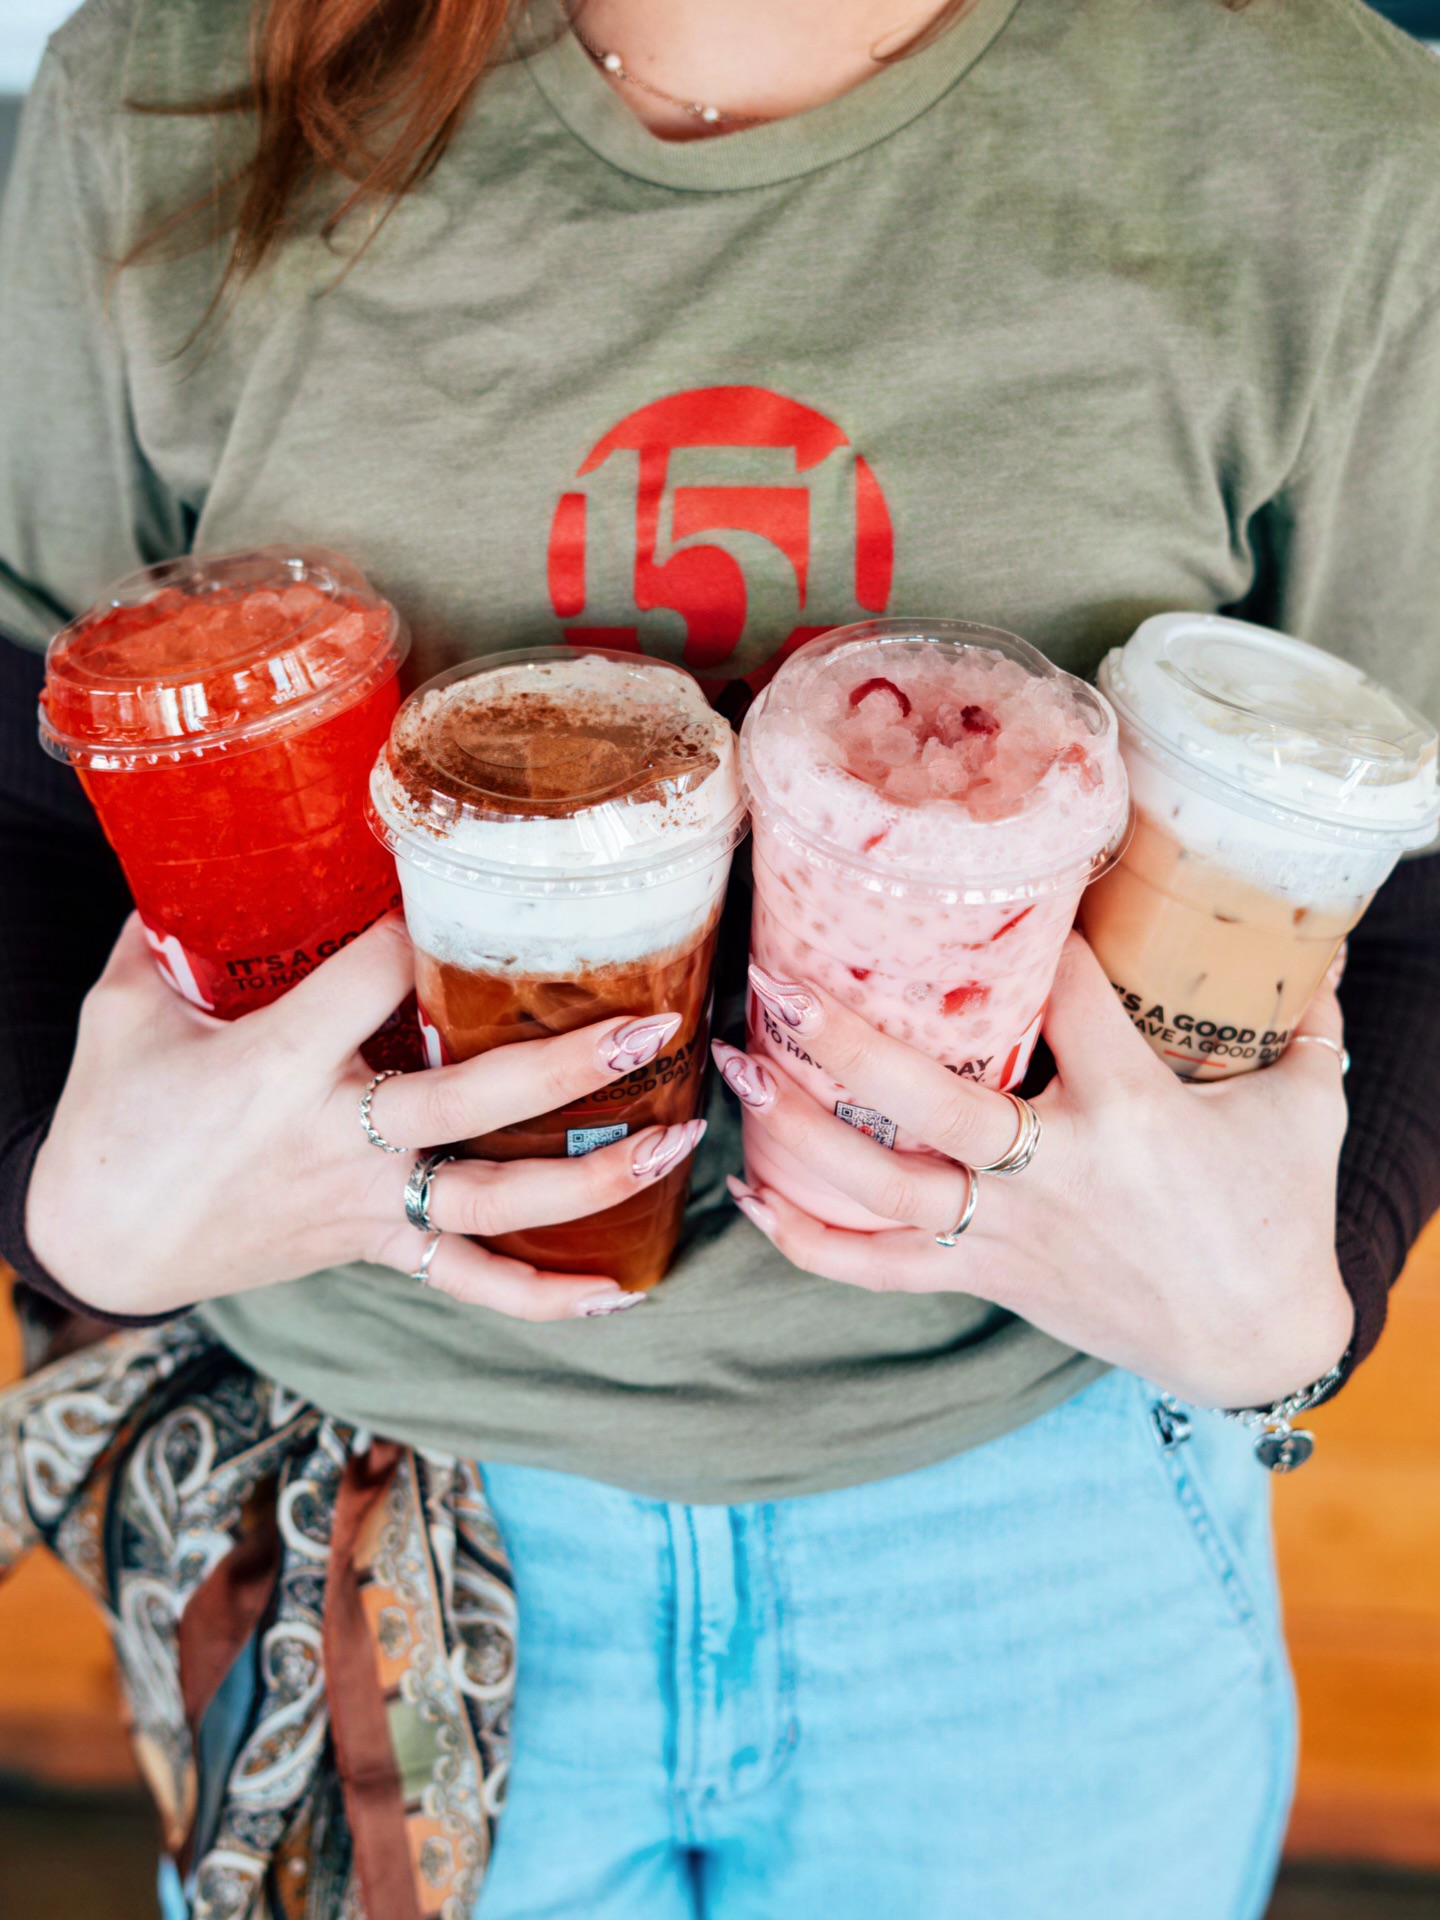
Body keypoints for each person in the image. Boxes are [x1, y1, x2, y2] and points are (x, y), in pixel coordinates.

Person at [1, 0, 1439, 1914]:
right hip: (373, 1505)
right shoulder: (163, 87)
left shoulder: (1339, 144)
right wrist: (62, 1209)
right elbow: (35, 811)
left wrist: (1295, 1303)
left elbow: (1400, 869)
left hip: (1041, 1512)